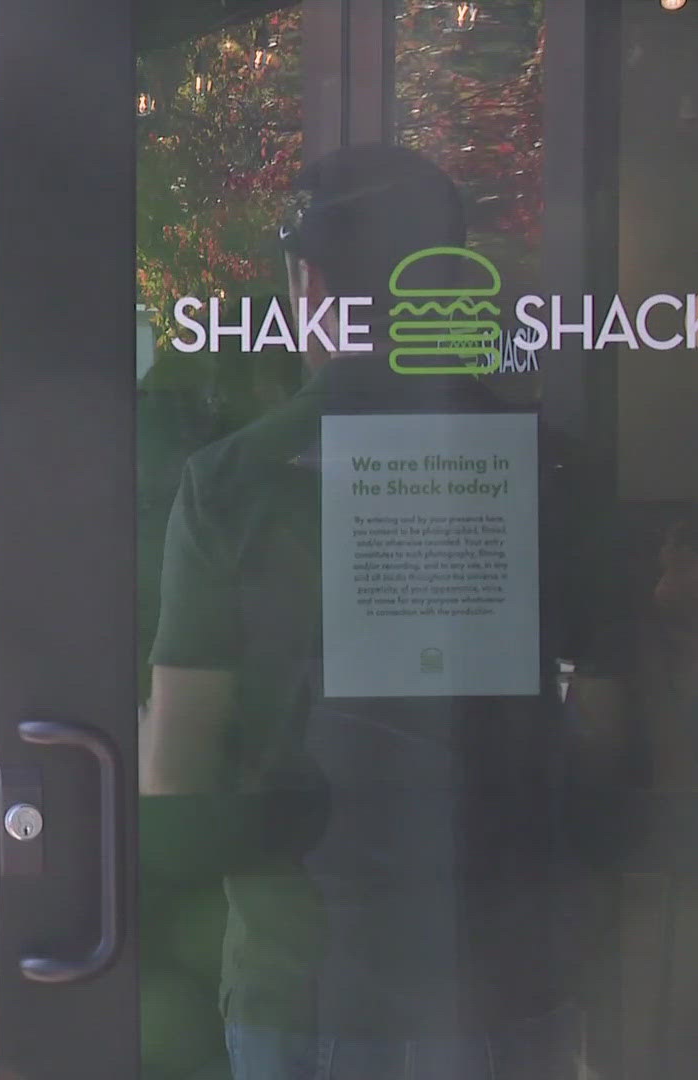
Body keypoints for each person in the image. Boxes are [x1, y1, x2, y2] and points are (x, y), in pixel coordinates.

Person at [142, 144, 598, 1078]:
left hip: (303, 969)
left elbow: (179, 770)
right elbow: (608, 733)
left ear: (309, 286)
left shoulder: (235, 483)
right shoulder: (552, 470)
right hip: (510, 961)